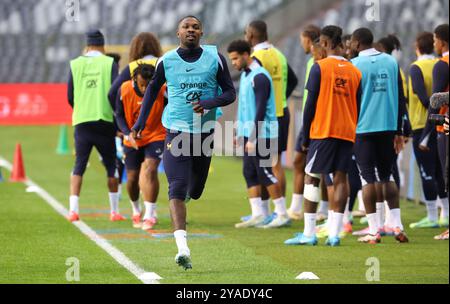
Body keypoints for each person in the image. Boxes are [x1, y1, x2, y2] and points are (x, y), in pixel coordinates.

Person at [130, 16, 236, 270]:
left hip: (204, 132)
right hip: (176, 131)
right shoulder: (166, 61)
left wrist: (209, 103)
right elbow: (152, 92)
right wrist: (140, 123)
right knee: (176, 186)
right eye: (186, 27)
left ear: (201, 32)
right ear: (178, 33)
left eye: (195, 27)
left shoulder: (215, 58)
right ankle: (182, 249)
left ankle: (189, 195)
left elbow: (230, 92)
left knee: (195, 190)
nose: (191, 30)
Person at [284, 25, 362, 247]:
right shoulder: (355, 71)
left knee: (312, 177)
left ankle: (309, 233)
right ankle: (335, 234)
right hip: (347, 131)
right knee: (340, 179)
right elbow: (358, 104)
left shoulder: (320, 68)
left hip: (324, 130)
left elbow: (310, 105)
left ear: (325, 43)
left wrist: (306, 135)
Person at [349, 28, 409, 244]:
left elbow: (351, 101)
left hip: (363, 128)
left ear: (356, 44)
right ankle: (397, 225)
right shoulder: (391, 62)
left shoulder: (354, 66)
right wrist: (400, 130)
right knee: (388, 176)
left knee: (368, 179)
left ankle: (374, 230)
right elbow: (401, 98)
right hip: (388, 127)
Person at [227, 40, 289, 229]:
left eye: (236, 58)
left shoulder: (260, 77)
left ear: (247, 54)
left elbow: (261, 110)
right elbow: (244, 107)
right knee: (249, 172)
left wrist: (253, 137)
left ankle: (282, 213)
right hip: (249, 133)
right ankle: (259, 214)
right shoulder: (246, 76)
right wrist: (239, 131)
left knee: (265, 172)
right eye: (232, 60)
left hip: (264, 134)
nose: (234, 63)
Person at [67, 30, 123, 222]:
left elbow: (70, 96)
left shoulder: (75, 64)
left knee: (79, 165)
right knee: (111, 167)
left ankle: (73, 211)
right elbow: (116, 93)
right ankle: (114, 211)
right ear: (102, 45)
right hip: (104, 120)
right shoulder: (109, 63)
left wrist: (81, 108)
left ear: (88, 45)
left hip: (82, 121)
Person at [244, 20, 298, 222]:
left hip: (266, 116)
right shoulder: (279, 54)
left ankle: (275, 212)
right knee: (275, 163)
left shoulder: (255, 58)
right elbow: (292, 80)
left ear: (250, 35)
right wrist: (280, 97)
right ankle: (272, 212)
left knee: (266, 164)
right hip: (282, 111)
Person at [115, 64, 166, 230]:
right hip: (132, 138)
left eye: (148, 85)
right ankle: (136, 209)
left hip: (156, 135)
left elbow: (171, 109)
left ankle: (150, 215)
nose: (144, 89)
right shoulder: (124, 90)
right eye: (141, 84)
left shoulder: (162, 89)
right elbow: (119, 115)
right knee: (131, 177)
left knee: (151, 169)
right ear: (134, 80)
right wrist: (126, 133)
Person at [408, 32, 448, 230]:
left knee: (427, 172)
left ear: (417, 47)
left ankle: (432, 215)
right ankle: (445, 214)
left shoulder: (416, 68)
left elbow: (424, 97)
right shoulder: (439, 63)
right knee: (441, 170)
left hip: (421, 124)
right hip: (441, 122)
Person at [288, 25, 321, 222]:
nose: (301, 43)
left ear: (308, 40)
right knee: (299, 162)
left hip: (316, 119)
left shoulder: (317, 63)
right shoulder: (311, 62)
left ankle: (320, 210)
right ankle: (296, 206)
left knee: (314, 167)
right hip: (310, 118)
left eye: (302, 39)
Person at [109, 32, 163, 106]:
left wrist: (119, 113)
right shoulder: (163, 62)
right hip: (161, 114)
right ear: (156, 47)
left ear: (135, 48)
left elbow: (112, 93)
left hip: (137, 113)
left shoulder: (132, 66)